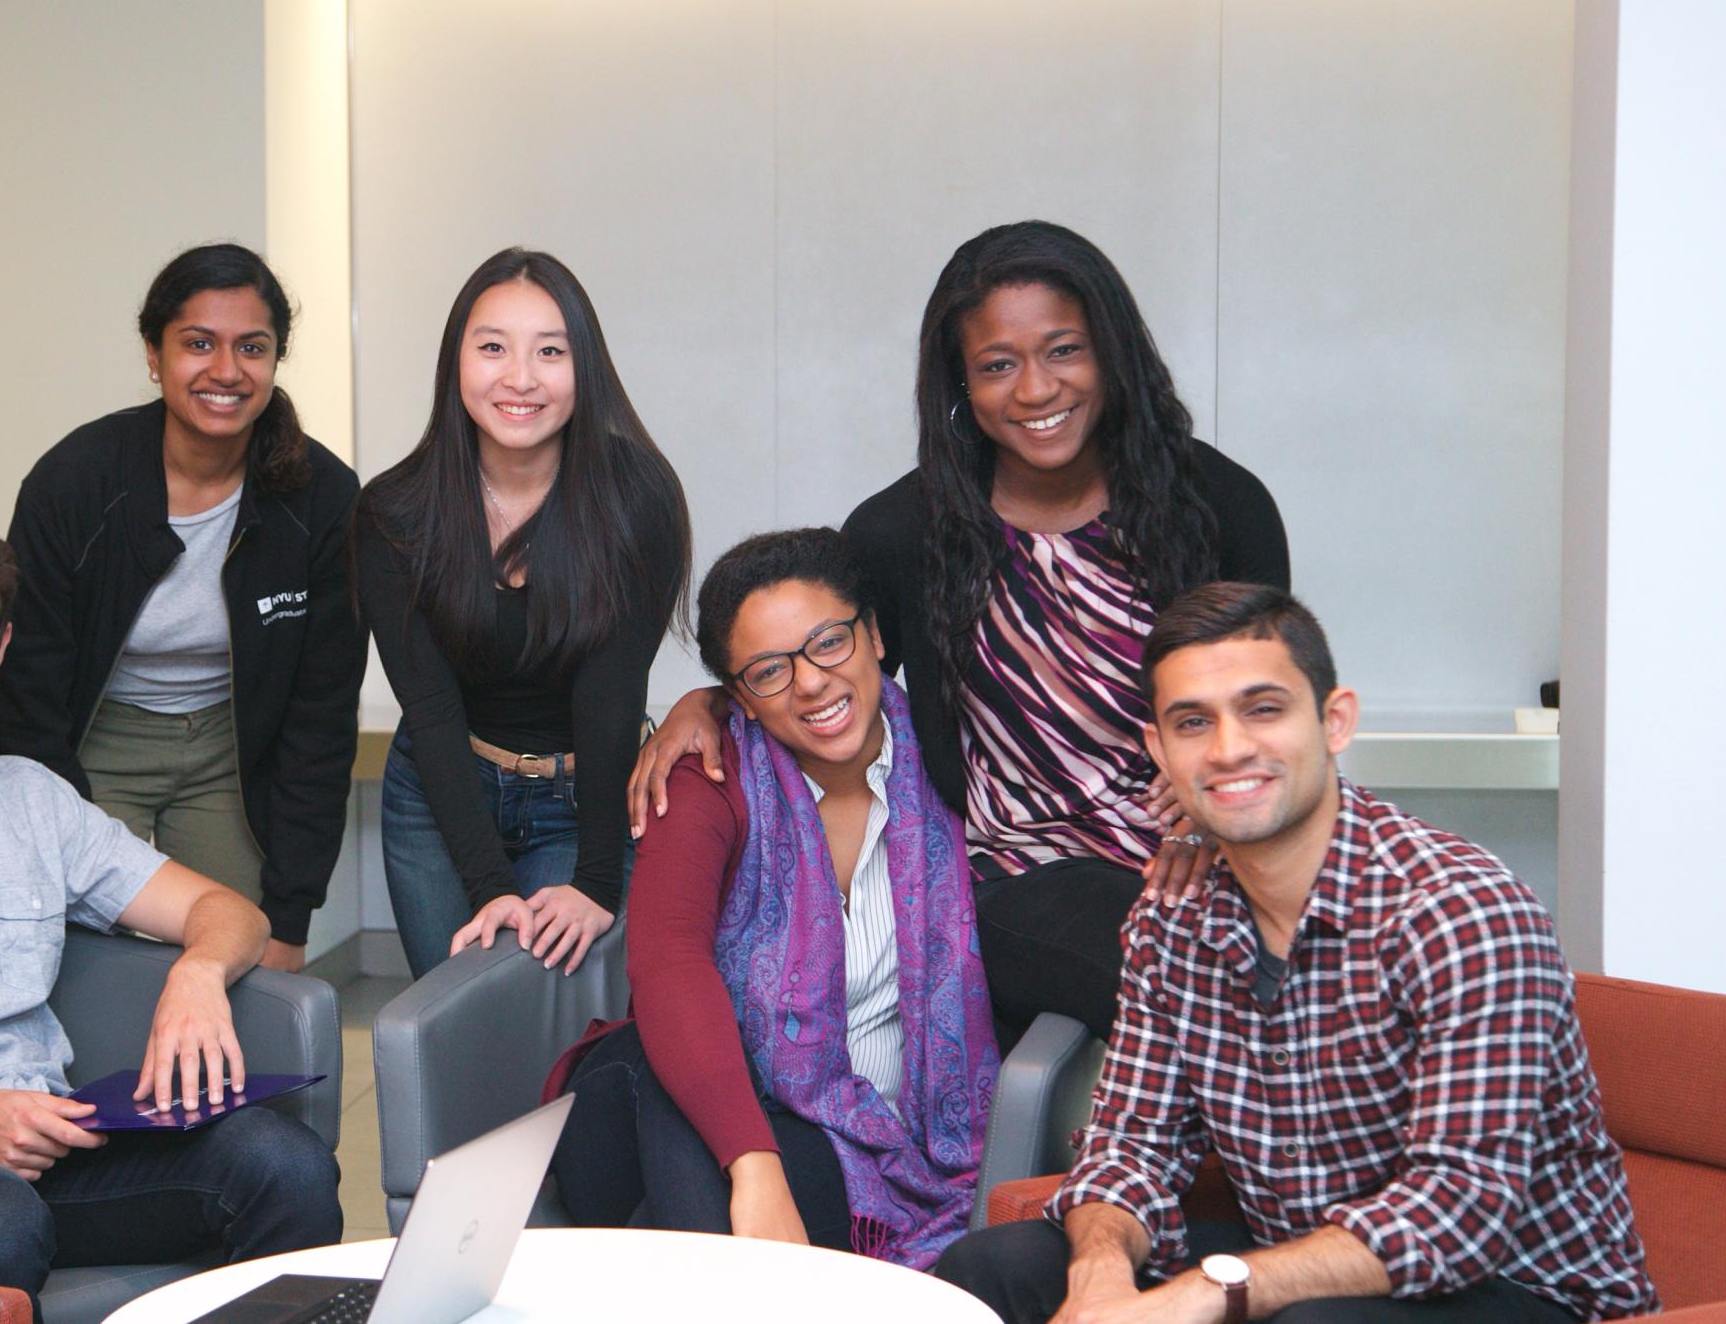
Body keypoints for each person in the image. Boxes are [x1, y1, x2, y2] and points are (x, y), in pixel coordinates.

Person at [633, 220, 1288, 1050]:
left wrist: (1206, 816)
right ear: (960, 385)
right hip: (1019, 876)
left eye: (1063, 351)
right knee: (1203, 971)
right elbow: (825, 664)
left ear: (1111, 352)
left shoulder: (1220, 506)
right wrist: (710, 701)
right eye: (997, 365)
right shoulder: (901, 531)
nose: (1035, 390)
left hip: (1220, 847)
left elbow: (1273, 703)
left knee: (1357, 942)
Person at [932, 582, 1656, 1324]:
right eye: (1192, 722)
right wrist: (1099, 1278)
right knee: (994, 1269)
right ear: (1158, 750)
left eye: (1263, 709)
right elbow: (1131, 1147)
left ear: (1334, 721)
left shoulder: (1457, 912)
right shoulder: (1172, 920)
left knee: (1307, 1322)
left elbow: (1454, 1214)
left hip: (1521, 1293)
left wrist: (1200, 1294)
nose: (1229, 749)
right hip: (1304, 1268)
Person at [0, 511, 341, 1311]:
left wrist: (196, 973)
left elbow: (229, 911)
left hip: (52, 1147)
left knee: (285, 1165)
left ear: (0, 649)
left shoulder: (33, 801)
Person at [548, 529, 997, 1272]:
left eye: (828, 642)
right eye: (768, 671)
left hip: (853, 1137)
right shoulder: (706, 776)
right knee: (652, 1066)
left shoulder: (956, 759)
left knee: (676, 1232)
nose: (810, 683)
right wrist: (753, 1166)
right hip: (667, 1112)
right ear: (741, 699)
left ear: (875, 635)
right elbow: (666, 961)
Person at [0, 243, 364, 973]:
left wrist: (289, 919)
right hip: (98, 737)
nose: (226, 371)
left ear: (275, 360)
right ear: (153, 355)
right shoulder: (74, 482)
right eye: (198, 344)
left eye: (251, 347)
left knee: (244, 957)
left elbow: (320, 718)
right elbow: (27, 695)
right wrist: (43, 838)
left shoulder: (322, 496)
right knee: (86, 963)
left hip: (233, 746)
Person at [355, 247, 692, 979]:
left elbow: (609, 694)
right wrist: (488, 886)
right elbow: (430, 708)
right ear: (456, 361)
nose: (520, 378)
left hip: (581, 798)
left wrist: (597, 881)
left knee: (547, 1021)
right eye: (492, 348)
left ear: (584, 367)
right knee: (452, 1017)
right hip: (440, 790)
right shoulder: (395, 511)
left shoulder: (635, 498)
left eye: (550, 351)